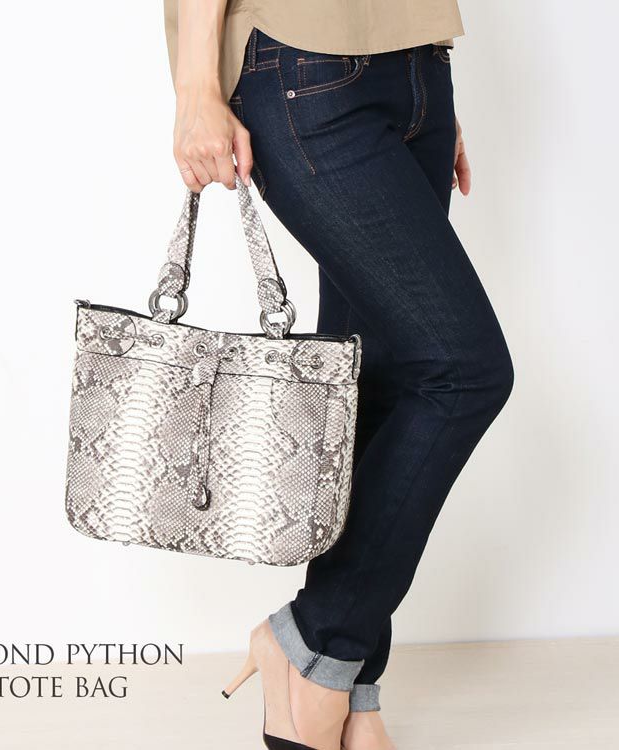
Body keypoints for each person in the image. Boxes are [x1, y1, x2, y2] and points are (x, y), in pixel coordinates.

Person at [164, 2, 514, 748]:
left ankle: (349, 689)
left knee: (377, 383)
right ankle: (314, 641)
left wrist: (423, 98)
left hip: (418, 62)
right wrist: (196, 87)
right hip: (305, 63)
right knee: (464, 371)